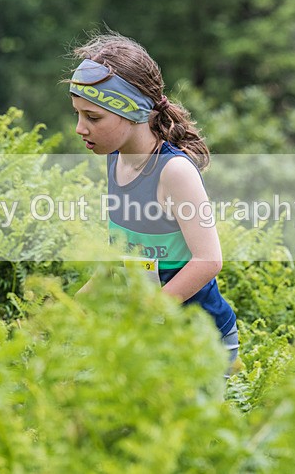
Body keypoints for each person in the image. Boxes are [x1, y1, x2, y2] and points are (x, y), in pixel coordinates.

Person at [69, 32, 239, 371]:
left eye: (93, 117)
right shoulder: (115, 159)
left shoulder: (174, 171)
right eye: (78, 114)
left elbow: (209, 260)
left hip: (199, 341)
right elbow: (127, 252)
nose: (79, 128)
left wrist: (148, 314)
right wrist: (75, 303)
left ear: (133, 112)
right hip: (151, 337)